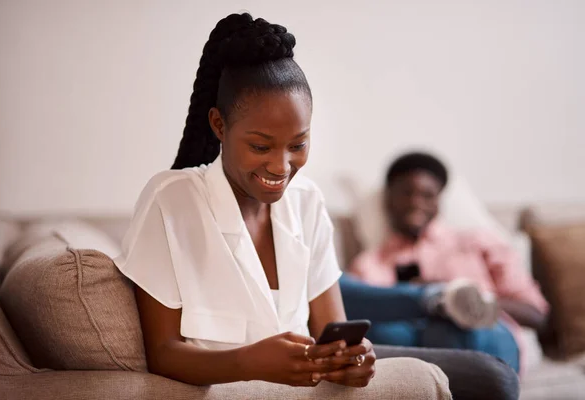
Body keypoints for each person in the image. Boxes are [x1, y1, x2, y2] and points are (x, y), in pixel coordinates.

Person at [113, 13, 451, 397]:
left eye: (298, 145)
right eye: (261, 146)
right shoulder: (172, 200)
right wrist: (248, 361)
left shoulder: (307, 201)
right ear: (219, 125)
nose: (281, 166)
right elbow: (162, 353)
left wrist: (352, 360)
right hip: (243, 384)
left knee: (489, 375)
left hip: (309, 380)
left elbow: (330, 331)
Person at [345, 152, 550, 376]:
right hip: (412, 346)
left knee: (448, 327)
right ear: (389, 198)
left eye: (427, 195)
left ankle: (444, 300)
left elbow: (537, 315)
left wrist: (475, 302)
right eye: (406, 193)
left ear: (439, 201)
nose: (415, 202)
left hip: (483, 338)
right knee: (385, 330)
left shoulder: (477, 243)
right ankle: (433, 299)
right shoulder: (369, 264)